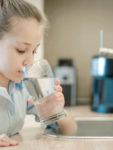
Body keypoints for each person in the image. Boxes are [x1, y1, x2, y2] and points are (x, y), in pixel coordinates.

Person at [0, 0, 77, 147]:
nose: (29, 61)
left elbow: (71, 129)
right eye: (21, 50)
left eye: (34, 51)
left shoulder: (21, 87)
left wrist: (57, 111)